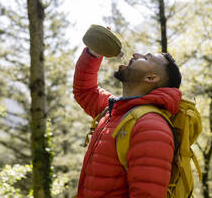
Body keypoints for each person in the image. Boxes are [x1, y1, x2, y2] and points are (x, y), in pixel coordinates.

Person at [73, 44, 182, 198]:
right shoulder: (115, 110)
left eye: (146, 57)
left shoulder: (150, 127)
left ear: (150, 78)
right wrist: (93, 54)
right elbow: (85, 92)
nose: (136, 54)